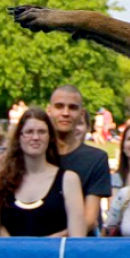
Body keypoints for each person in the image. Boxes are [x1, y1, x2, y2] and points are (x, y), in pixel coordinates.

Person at [0, 108, 85, 237]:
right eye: (29, 132)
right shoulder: (0, 182)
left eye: (41, 132)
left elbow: (78, 239)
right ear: (19, 138)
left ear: (50, 137)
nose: (35, 137)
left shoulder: (69, 180)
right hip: (10, 257)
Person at [47, 85, 111, 234]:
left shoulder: (96, 159)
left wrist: (49, 241)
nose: (65, 113)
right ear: (49, 111)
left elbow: (89, 220)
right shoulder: (36, 155)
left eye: (72, 108)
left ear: (81, 114)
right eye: (59, 106)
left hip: (75, 247)